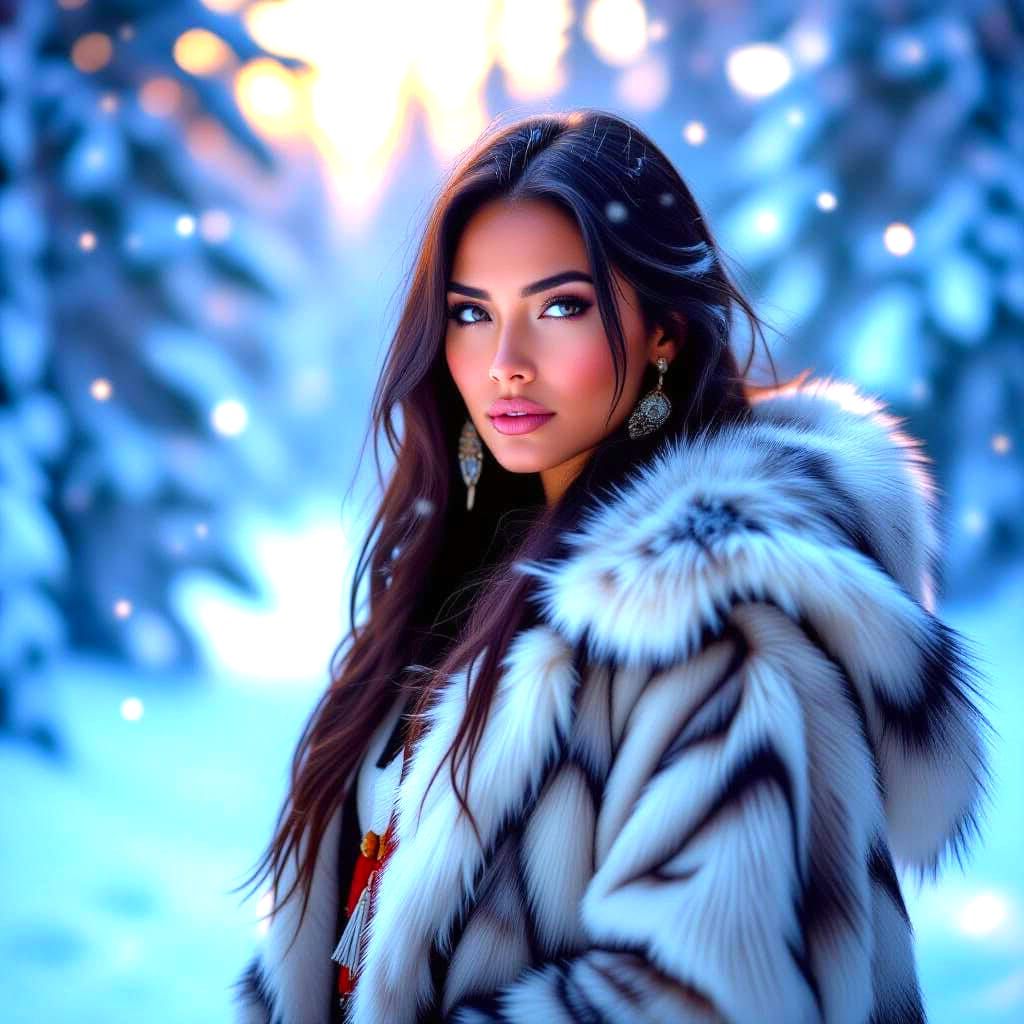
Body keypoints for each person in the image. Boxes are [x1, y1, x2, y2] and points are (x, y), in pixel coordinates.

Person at [230, 109, 993, 1024]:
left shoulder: (716, 630)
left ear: (664, 332)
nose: (504, 364)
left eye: (560, 307)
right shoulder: (466, 586)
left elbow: (707, 1000)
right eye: (472, 314)